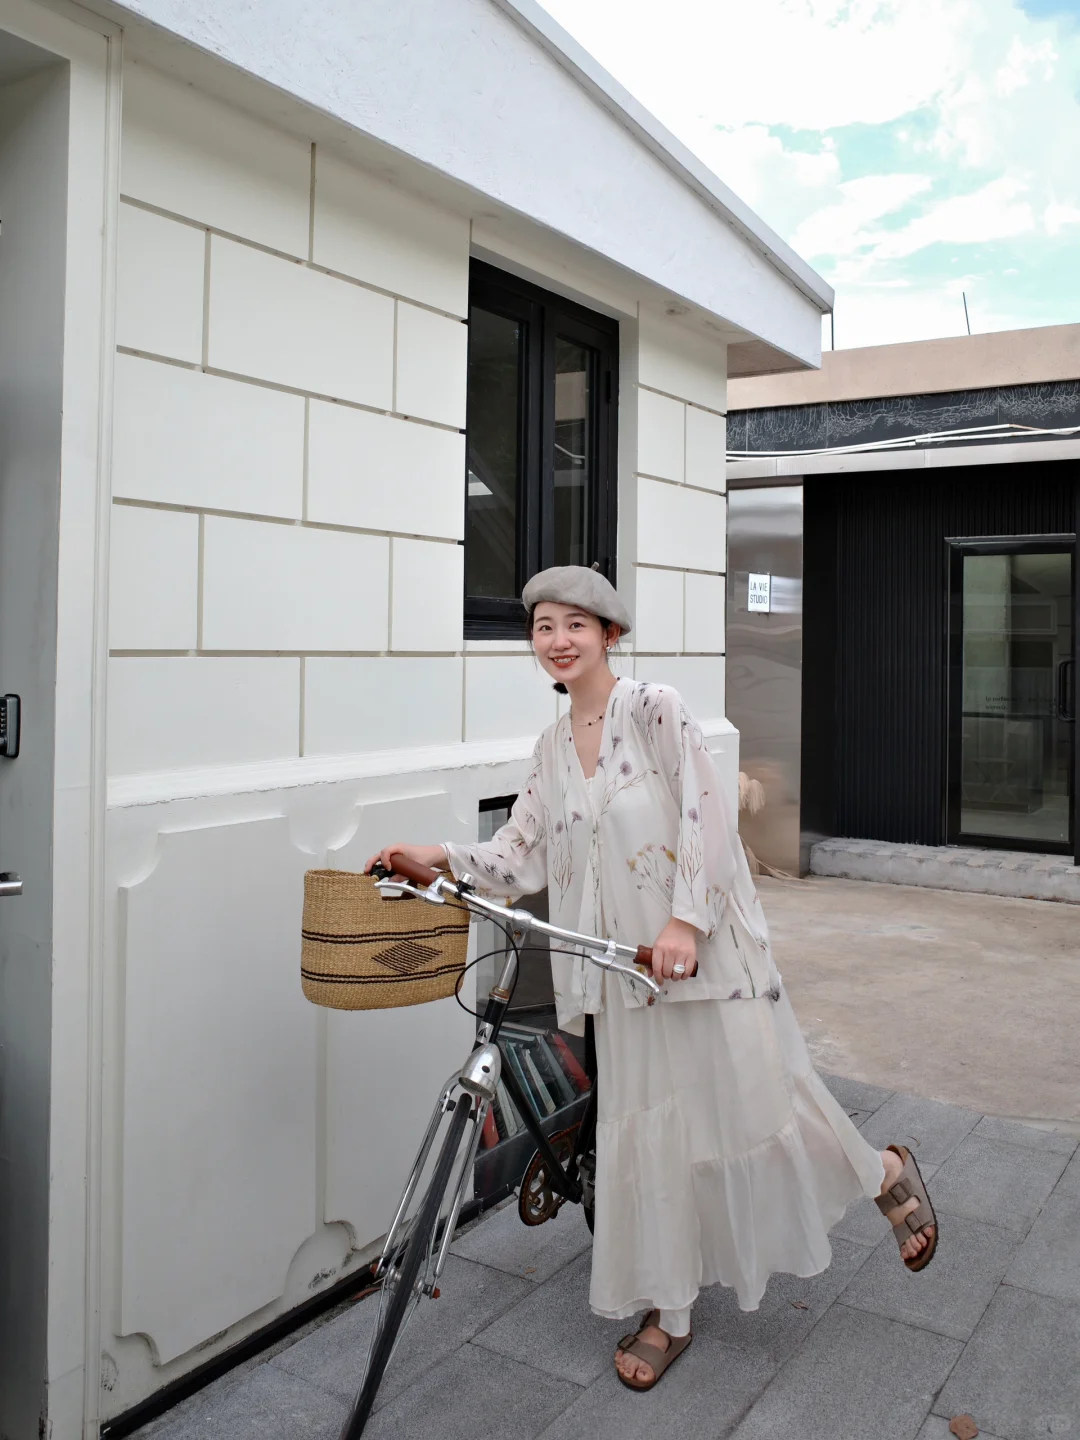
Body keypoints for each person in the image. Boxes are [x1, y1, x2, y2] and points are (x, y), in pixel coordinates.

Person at [367, 565, 937, 1392]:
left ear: (609, 635)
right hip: (621, 977)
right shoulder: (550, 750)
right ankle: (671, 1313)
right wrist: (435, 855)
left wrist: (685, 924)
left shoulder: (655, 710)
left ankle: (883, 1174)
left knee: (760, 1106)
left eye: (575, 625)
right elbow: (518, 856)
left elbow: (709, 819)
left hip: (701, 959)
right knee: (650, 1140)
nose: (557, 641)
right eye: (543, 627)